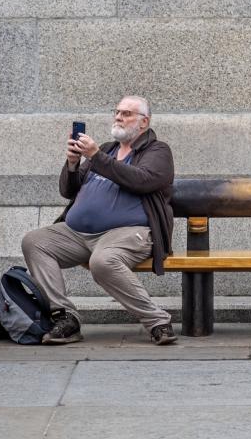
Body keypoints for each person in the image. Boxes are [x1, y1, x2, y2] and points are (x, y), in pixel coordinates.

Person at [22, 95, 177, 345]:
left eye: (127, 113)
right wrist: (73, 164)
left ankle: (157, 321)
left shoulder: (157, 151)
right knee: (35, 241)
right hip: (78, 234)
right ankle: (65, 318)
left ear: (144, 122)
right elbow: (68, 191)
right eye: (117, 112)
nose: (118, 117)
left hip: (129, 233)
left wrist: (95, 157)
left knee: (103, 261)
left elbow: (142, 180)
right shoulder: (107, 149)